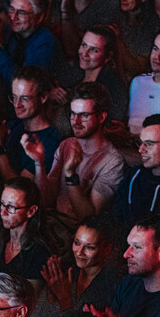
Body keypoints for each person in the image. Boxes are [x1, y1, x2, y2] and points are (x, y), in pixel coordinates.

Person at [29, 81, 124, 219]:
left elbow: (89, 217)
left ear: (101, 117)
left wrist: (70, 175)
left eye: (84, 115)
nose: (76, 121)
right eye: (73, 114)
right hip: (53, 221)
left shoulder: (112, 162)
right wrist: (39, 164)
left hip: (75, 229)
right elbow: (46, 200)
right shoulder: (67, 145)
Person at [41, 216, 121, 313]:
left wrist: (64, 299)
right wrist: (51, 297)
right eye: (77, 243)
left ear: (107, 249)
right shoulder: (67, 271)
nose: (79, 253)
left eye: (90, 247)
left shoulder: (111, 285)